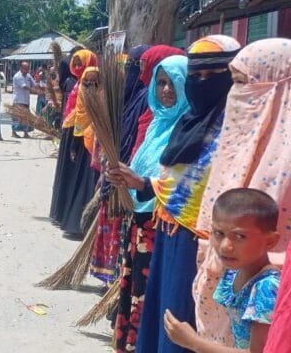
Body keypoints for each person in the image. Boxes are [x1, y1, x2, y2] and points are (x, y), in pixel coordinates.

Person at [108, 35, 241, 353]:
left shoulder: (233, 128)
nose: (202, 84)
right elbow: (175, 180)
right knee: (161, 314)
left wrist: (144, 184)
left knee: (183, 321)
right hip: (166, 228)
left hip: (201, 241)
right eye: (196, 77)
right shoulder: (186, 123)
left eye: (213, 77)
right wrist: (139, 183)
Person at [192, 38, 291, 346]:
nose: (236, 95)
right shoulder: (239, 140)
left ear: (277, 88)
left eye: (241, 82)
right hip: (226, 299)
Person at [113, 54, 190, 352]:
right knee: (133, 290)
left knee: (146, 296)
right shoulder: (157, 123)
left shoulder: (186, 128)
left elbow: (182, 184)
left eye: (174, 83)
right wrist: (125, 177)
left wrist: (143, 184)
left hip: (159, 226)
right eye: (161, 83)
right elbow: (144, 168)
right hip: (139, 219)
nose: (167, 90)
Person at [165, 188, 281, 352]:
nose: (225, 246)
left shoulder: (266, 287)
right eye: (219, 233)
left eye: (240, 236)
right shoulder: (235, 271)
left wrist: (194, 342)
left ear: (270, 241)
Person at [51, 50, 98, 239]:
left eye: (81, 63)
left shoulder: (93, 87)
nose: (77, 67)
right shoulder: (75, 83)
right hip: (73, 132)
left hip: (91, 138)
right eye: (75, 63)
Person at [11, 61, 36, 139]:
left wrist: (40, 88)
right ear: (21, 68)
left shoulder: (28, 76)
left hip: (26, 100)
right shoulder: (17, 76)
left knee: (26, 117)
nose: (27, 70)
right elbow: (24, 86)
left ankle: (25, 132)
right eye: (26, 68)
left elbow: (34, 84)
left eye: (28, 68)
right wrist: (34, 90)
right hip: (18, 100)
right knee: (16, 117)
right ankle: (13, 132)